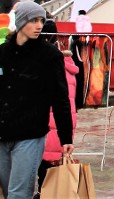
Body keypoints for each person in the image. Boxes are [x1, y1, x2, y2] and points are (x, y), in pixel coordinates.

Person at [0, 2, 74, 199]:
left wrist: (66, 137)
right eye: (33, 20)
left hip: (30, 135)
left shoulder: (49, 56)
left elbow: (60, 98)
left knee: (18, 193)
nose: (39, 25)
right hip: (1, 135)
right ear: (20, 21)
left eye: (41, 20)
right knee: (8, 189)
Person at [36, 21, 79, 191]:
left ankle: (43, 192)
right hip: (65, 121)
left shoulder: (49, 64)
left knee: (45, 166)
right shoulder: (70, 67)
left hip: (51, 121)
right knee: (53, 165)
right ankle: (48, 192)